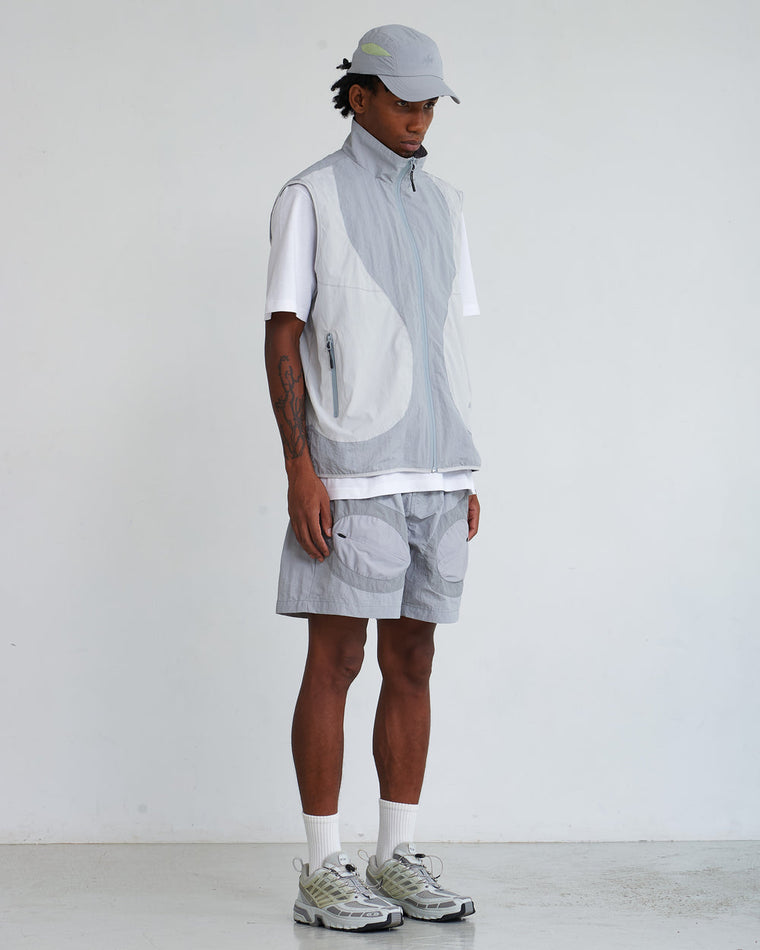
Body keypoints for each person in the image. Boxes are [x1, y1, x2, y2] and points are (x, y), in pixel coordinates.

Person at [264, 24, 481, 932]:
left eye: (432, 103)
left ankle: (395, 856)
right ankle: (322, 869)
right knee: (338, 659)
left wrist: (462, 465)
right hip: (350, 475)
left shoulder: (446, 205)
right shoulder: (311, 196)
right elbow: (283, 335)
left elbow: (445, 343)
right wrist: (300, 470)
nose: (421, 117)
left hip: (438, 471)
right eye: (405, 101)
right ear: (359, 96)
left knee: (415, 659)